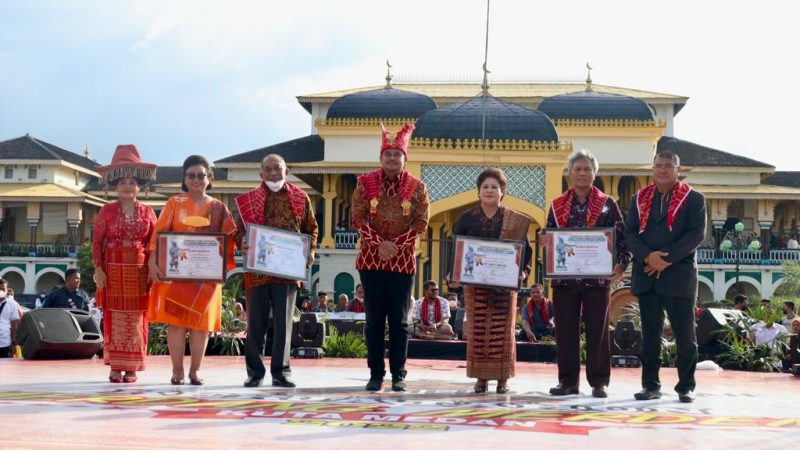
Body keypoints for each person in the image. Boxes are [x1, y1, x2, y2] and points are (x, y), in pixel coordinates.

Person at [351, 123, 429, 392]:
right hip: (371, 263)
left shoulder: (417, 186)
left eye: (398, 154)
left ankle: (399, 374)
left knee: (400, 321)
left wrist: (394, 246)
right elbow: (357, 218)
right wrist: (379, 244)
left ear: (405, 158)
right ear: (381, 157)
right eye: (388, 154)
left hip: (403, 262)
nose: (392, 159)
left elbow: (421, 223)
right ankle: (375, 374)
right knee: (374, 321)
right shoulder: (365, 183)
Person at [624, 150, 706, 403]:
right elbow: (629, 234)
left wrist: (665, 260)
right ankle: (650, 385)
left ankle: (686, 386)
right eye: (658, 165)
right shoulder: (639, 198)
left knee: (685, 335)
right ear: (652, 169)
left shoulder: (693, 199)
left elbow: (695, 235)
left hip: (678, 276)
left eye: (668, 166)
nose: (663, 170)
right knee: (650, 334)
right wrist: (649, 257)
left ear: (678, 170)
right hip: (647, 274)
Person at [547, 150, 630, 399]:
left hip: (597, 279)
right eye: (577, 169)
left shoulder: (608, 204)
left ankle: (599, 382)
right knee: (565, 331)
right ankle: (568, 382)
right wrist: (546, 241)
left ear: (595, 173)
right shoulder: (557, 204)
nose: (582, 173)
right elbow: (550, 233)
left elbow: (622, 238)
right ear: (569, 173)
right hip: (565, 278)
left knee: (598, 330)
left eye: (587, 169)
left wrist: (621, 265)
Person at [148, 155, 237, 386]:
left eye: (201, 175)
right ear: (184, 179)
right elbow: (159, 234)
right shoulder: (174, 204)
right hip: (177, 273)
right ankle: (177, 371)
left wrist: (222, 267)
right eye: (191, 175)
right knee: (176, 324)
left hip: (206, 277)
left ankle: (195, 371)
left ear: (210, 179)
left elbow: (229, 239)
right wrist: (152, 261)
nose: (196, 180)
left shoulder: (219, 207)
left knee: (201, 326)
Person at [235, 154, 318, 388]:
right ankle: (255, 373)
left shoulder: (301, 198)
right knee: (256, 324)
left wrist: (310, 250)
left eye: (277, 168)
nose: (273, 173)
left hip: (287, 271)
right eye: (268, 170)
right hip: (257, 271)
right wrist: (242, 241)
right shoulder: (249, 199)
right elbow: (238, 230)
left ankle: (281, 372)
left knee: (284, 324)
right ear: (261, 174)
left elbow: (311, 228)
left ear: (286, 171)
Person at [451, 167, 531, 394]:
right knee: (478, 334)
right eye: (485, 187)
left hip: (504, 289)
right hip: (476, 289)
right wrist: (454, 274)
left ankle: (503, 379)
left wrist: (523, 271)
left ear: (502, 191)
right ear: (478, 191)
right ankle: (481, 379)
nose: (489, 190)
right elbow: (457, 247)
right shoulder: (467, 218)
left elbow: (526, 251)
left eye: (494, 187)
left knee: (502, 334)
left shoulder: (514, 220)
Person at [93, 144, 158, 383]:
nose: (127, 186)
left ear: (140, 186)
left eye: (132, 182)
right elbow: (96, 243)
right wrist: (98, 269)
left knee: (138, 317)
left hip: (140, 272)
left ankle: (132, 366)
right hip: (112, 271)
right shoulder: (106, 212)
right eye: (122, 182)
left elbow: (154, 243)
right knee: (114, 317)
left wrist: (153, 267)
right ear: (115, 186)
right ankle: (115, 365)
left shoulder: (149, 212)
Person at [0, 278, 21, 358]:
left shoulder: (12, 304)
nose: (1, 291)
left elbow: (14, 324)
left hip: (5, 343)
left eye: (3, 289)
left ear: (6, 290)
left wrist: (14, 343)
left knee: (5, 368)